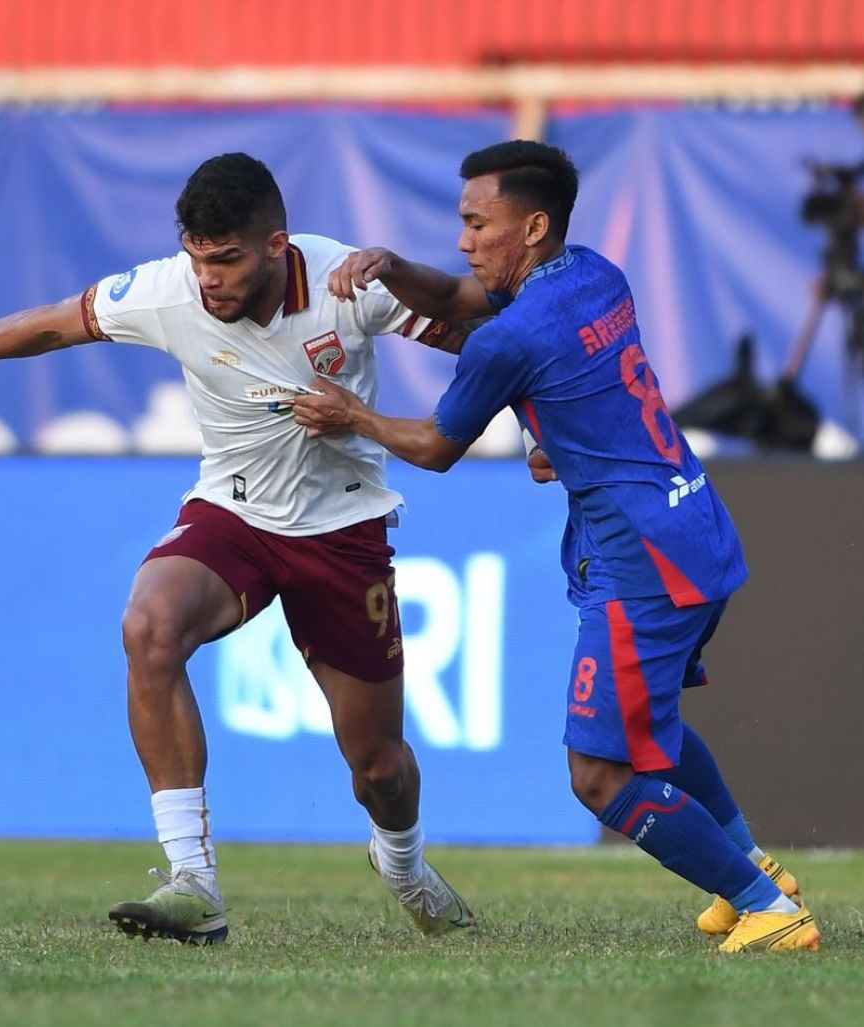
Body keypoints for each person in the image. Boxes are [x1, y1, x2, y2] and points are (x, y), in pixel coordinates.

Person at [0, 152, 475, 946]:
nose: (207, 278)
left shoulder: (348, 284)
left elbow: (479, 340)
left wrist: (539, 426)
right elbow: (49, 322)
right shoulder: (167, 290)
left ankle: (404, 864)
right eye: (196, 257)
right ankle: (193, 879)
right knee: (149, 626)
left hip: (342, 531)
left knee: (380, 765)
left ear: (278, 245)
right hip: (233, 514)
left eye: (226, 259)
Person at [291, 140, 821, 953]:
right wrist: (392, 266)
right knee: (659, 725)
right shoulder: (597, 273)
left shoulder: (510, 338)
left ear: (531, 225)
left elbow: (435, 445)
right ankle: (755, 866)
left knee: (600, 773)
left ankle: (769, 909)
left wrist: (352, 415)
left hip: (645, 563)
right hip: (697, 527)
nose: (463, 239)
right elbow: (507, 323)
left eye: (477, 222)